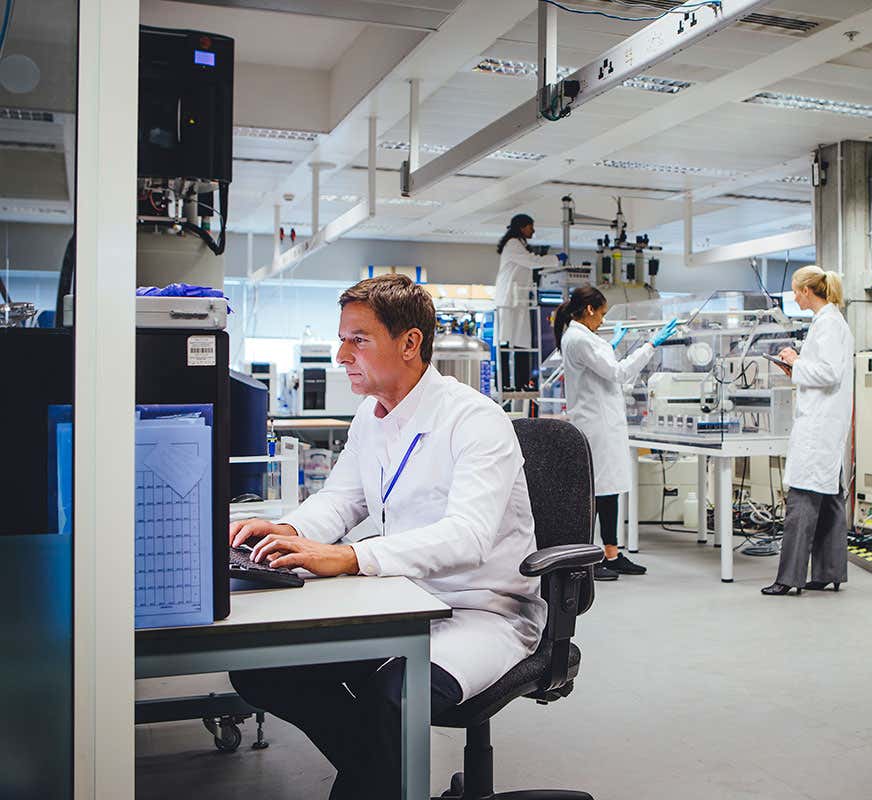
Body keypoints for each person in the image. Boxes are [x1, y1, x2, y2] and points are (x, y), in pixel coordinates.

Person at [227, 274, 547, 798]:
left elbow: (467, 538)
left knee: (393, 700)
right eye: (342, 338)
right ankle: (386, 779)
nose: (340, 355)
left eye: (358, 339)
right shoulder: (370, 416)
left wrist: (352, 557)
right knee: (263, 671)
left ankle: (372, 782)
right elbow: (342, 499)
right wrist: (287, 531)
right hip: (402, 599)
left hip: (483, 610)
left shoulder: (475, 420)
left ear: (410, 342)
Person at [554, 286, 678, 581]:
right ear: (588, 310)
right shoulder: (578, 339)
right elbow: (618, 373)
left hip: (604, 424)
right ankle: (588, 558)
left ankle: (611, 553)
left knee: (608, 491)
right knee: (594, 494)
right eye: (602, 314)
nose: (603, 321)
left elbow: (611, 373)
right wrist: (650, 345)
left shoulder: (585, 337)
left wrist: (611, 345)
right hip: (596, 426)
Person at [762, 266, 854, 597]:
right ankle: (830, 571)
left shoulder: (828, 323)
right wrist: (797, 366)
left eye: (795, 291)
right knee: (829, 499)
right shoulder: (830, 322)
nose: (794, 296)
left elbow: (828, 372)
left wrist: (795, 361)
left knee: (801, 500)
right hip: (825, 423)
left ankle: (788, 578)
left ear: (805, 291)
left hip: (819, 426)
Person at [494, 213, 565, 348]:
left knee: (516, 337)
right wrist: (556, 258)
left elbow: (530, 261)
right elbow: (532, 261)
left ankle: (518, 364)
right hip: (510, 297)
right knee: (508, 338)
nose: (533, 230)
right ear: (522, 227)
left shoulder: (518, 244)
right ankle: (510, 366)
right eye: (530, 227)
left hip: (517, 297)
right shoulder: (513, 244)